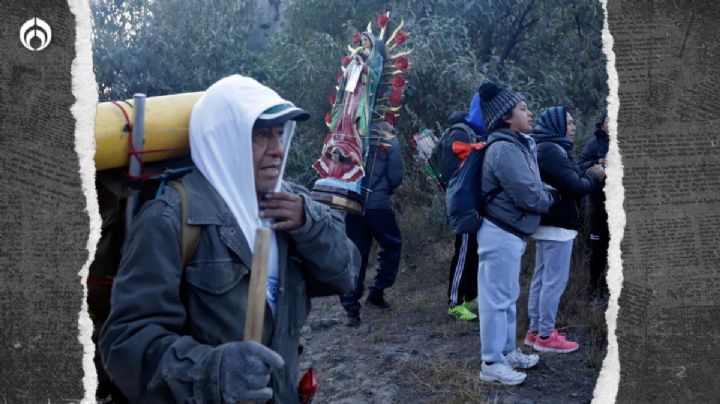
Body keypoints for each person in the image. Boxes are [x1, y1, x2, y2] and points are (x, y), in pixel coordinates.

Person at [99, 75, 360, 403]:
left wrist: (310, 224)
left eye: (280, 134)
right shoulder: (169, 219)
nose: (278, 149)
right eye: (262, 135)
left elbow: (346, 275)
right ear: (225, 139)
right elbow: (125, 343)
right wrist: (211, 373)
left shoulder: (291, 205)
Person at [476, 82, 558, 386]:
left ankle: (507, 352)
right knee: (496, 299)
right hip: (500, 232)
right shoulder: (504, 149)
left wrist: (542, 192)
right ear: (506, 117)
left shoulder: (515, 144)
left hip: (509, 232)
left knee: (508, 296)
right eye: (523, 109)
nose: (530, 112)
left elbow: (533, 186)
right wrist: (550, 199)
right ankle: (491, 363)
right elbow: (530, 195)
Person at [523, 106, 605, 354]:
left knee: (542, 277)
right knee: (554, 280)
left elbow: (570, 176)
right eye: (568, 123)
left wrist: (590, 170)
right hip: (557, 225)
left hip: (550, 225)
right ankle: (546, 335)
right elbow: (574, 186)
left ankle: (535, 331)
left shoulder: (548, 148)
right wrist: (596, 177)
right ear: (556, 125)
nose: (573, 127)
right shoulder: (552, 150)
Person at [339, 127, 404, 327]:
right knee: (392, 245)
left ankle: (351, 307)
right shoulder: (388, 139)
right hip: (378, 205)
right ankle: (377, 291)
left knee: (356, 253)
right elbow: (395, 177)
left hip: (352, 205)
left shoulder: (348, 135)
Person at [313, 32, 385, 183]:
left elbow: (376, 77)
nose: (364, 42)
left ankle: (354, 147)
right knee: (344, 117)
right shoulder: (357, 55)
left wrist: (364, 67)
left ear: (372, 42)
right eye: (362, 40)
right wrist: (353, 65)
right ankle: (342, 141)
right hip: (349, 94)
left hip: (362, 95)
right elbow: (346, 77)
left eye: (367, 40)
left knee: (355, 119)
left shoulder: (376, 58)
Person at [444, 95, 486, 321]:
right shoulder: (460, 133)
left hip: (474, 202)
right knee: (463, 251)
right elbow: (453, 172)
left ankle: (469, 296)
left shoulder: (476, 132)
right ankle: (454, 302)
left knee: (472, 252)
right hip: (465, 203)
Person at [579, 113, 610, 306]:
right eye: (609, 120)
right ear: (603, 124)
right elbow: (580, 167)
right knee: (598, 251)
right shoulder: (593, 144)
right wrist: (599, 162)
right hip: (599, 207)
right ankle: (594, 290)